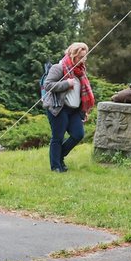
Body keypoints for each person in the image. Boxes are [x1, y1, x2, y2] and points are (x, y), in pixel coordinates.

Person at [43, 42, 95, 172]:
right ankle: (56, 166)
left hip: (75, 110)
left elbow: (81, 92)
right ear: (73, 55)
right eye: (80, 57)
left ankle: (59, 156)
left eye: (85, 56)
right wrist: (66, 83)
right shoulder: (59, 67)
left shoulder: (80, 71)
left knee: (78, 134)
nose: (83, 59)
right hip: (59, 108)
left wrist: (84, 110)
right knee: (58, 137)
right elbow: (48, 85)